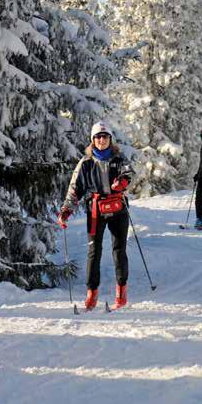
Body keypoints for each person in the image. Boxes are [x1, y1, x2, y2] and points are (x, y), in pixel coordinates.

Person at [57, 121, 132, 311]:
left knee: (119, 249)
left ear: (110, 139)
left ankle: (121, 293)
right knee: (94, 252)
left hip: (118, 209)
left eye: (105, 136)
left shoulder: (119, 158)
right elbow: (75, 189)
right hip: (95, 211)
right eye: (97, 137)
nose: (101, 140)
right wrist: (66, 210)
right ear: (92, 140)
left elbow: (130, 173)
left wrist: (122, 182)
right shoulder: (85, 163)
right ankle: (92, 294)